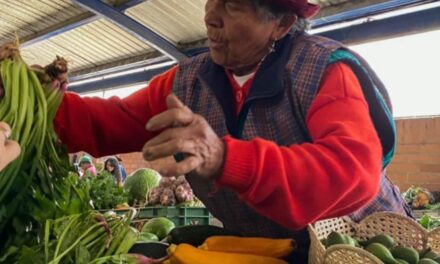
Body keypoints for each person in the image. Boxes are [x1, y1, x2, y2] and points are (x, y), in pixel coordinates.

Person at [53, 0, 411, 261]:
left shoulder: (324, 70)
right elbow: (110, 121)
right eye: (213, 0)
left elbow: (351, 169)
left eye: (234, 5)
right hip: (266, 252)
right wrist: (44, 102)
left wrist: (225, 158)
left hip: (363, 249)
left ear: (282, 23)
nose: (211, 16)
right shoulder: (188, 82)